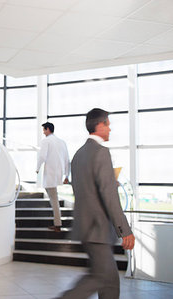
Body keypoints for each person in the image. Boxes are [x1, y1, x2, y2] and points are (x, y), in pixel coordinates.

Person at [57, 108, 135, 299]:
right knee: (99, 276)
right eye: (108, 125)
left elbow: (85, 189)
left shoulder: (79, 154)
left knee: (110, 281)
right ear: (100, 125)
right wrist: (124, 230)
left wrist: (109, 181)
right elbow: (109, 196)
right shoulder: (101, 152)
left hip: (86, 226)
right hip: (97, 228)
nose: (110, 129)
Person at [36, 122, 70, 232]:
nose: (43, 132)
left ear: (47, 130)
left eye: (44, 130)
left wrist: (37, 168)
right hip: (58, 173)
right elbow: (67, 159)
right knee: (54, 198)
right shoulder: (62, 142)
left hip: (50, 174)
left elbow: (42, 156)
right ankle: (57, 223)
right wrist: (66, 175)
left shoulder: (46, 141)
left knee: (54, 199)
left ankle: (57, 224)